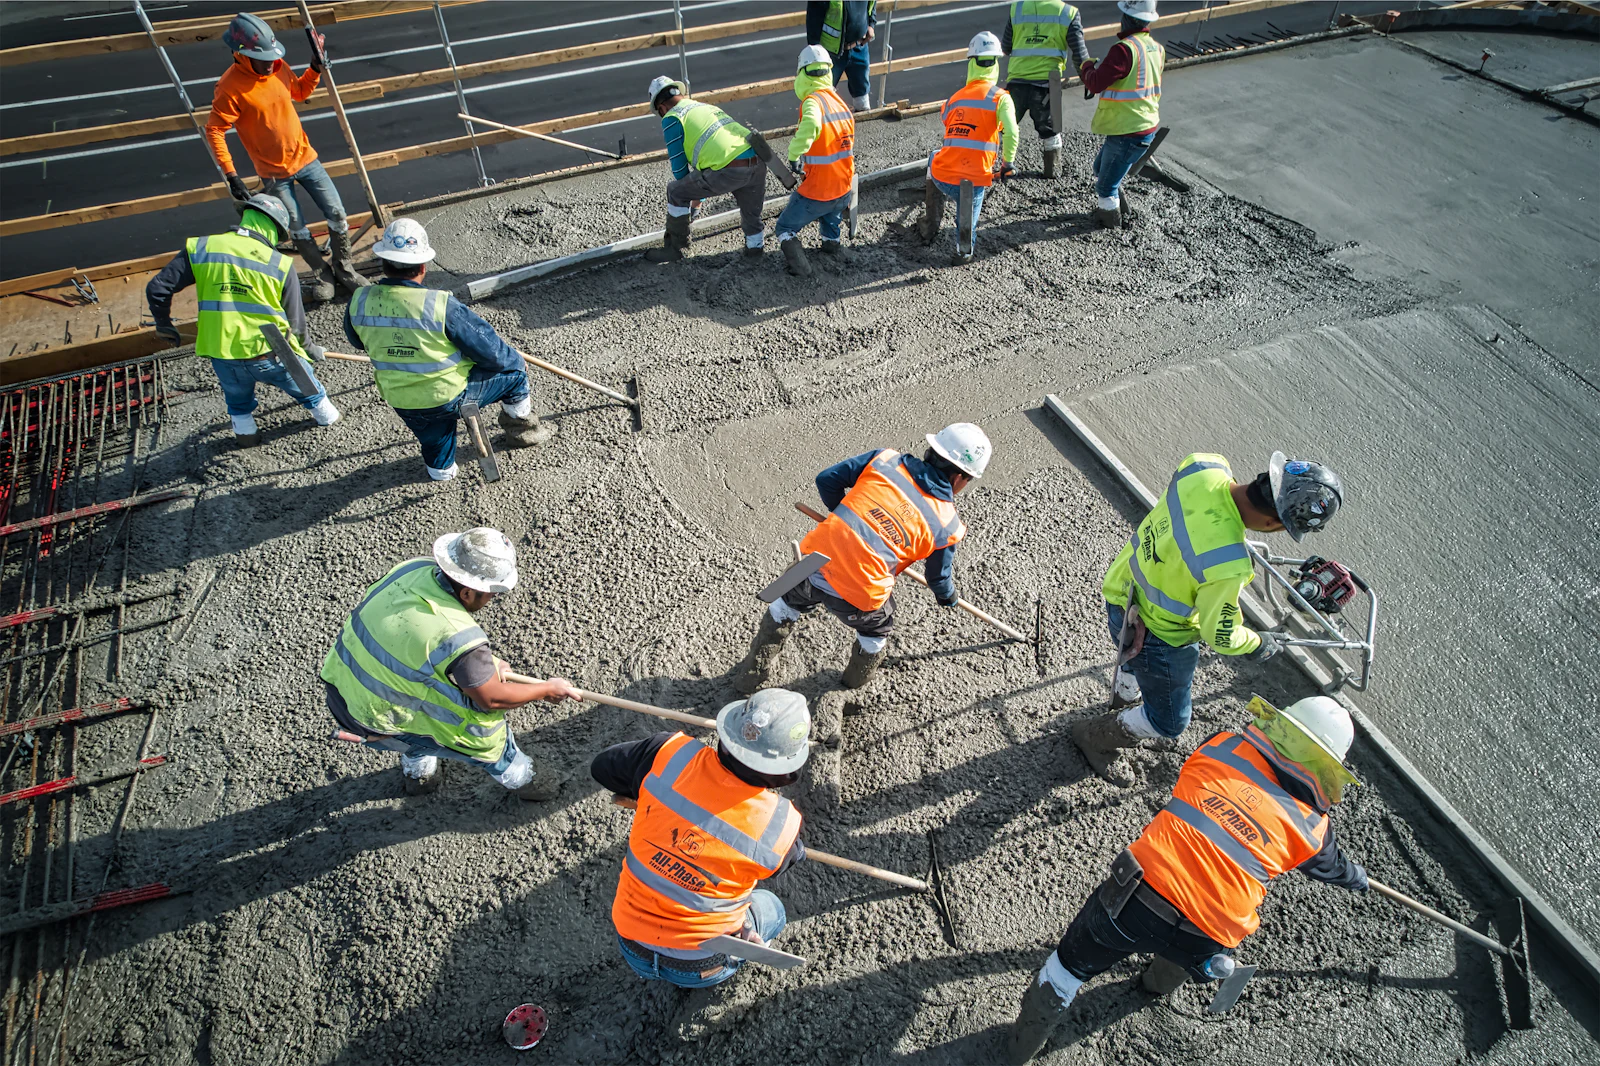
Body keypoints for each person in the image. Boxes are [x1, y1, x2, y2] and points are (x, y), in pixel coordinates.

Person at [1008, 695, 1368, 1064]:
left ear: (1279, 726)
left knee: (1065, 970)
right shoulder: (1313, 828)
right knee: (1182, 953)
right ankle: (1152, 987)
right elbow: (1335, 869)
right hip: (1211, 930)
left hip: (1135, 895)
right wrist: (1358, 878)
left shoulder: (1221, 747)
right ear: (1326, 768)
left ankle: (1017, 1050)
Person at [1072, 452, 1345, 787]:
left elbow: (1195, 524)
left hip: (1122, 592)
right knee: (1170, 721)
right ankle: (1097, 737)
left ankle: (1122, 699)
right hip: (1160, 636)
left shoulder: (1202, 466)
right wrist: (1258, 642)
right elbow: (1221, 634)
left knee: (1128, 657)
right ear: (1275, 523)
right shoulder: (1228, 564)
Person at [320, 528, 579, 799]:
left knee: (413, 732)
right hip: (377, 717)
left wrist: (485, 666)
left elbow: (412, 640)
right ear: (467, 592)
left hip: (345, 689)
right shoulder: (460, 636)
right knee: (484, 735)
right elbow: (492, 700)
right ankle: (529, 782)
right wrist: (547, 689)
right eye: (492, 592)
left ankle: (420, 776)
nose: (493, 599)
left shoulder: (411, 570)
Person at [737, 424, 992, 693]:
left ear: (931, 450)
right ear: (960, 478)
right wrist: (947, 597)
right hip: (860, 592)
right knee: (877, 630)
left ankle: (749, 678)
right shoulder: (948, 525)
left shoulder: (884, 460)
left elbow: (827, 479)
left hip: (810, 561)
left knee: (784, 603)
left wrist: (846, 518)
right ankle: (851, 686)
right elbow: (937, 577)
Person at [594, 689, 809, 987]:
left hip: (630, 943)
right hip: (701, 966)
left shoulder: (667, 753)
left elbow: (602, 768)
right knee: (772, 907)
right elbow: (786, 860)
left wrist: (645, 786)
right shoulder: (780, 827)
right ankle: (742, 936)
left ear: (726, 734)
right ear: (788, 773)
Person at [343, 218, 555, 483]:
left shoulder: (359, 300)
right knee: (514, 371)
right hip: (450, 395)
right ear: (422, 266)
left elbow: (357, 341)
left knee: (433, 433)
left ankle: (442, 472)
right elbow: (490, 351)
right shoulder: (439, 304)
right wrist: (515, 359)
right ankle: (524, 431)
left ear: (383, 263)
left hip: (401, 399)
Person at [146, 193, 339, 447]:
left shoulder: (203, 248)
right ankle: (330, 422)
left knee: (238, 403)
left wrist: (164, 324)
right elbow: (296, 325)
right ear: (274, 230)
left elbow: (157, 288)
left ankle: (247, 438)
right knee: (311, 392)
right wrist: (310, 350)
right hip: (272, 352)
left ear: (246, 217)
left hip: (223, 354)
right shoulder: (280, 264)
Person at [209, 12, 368, 301]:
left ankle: (344, 268)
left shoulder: (278, 68)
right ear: (243, 54)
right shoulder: (229, 88)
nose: (272, 61)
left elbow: (299, 91)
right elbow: (215, 131)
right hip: (273, 174)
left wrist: (314, 68)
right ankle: (323, 274)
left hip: (306, 159)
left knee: (337, 212)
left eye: (273, 55)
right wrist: (231, 174)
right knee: (295, 225)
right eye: (265, 57)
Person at [643, 76, 769, 263]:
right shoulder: (706, 107)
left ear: (661, 107)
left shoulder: (672, 118)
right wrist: (697, 200)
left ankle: (676, 248)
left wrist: (688, 202)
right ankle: (755, 249)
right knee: (751, 209)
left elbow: (680, 172)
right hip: (757, 161)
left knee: (676, 191)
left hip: (729, 169)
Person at [920, 33, 1019, 263]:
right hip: (975, 178)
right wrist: (1007, 163)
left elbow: (946, 119)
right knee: (969, 210)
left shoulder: (954, 98)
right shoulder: (1001, 98)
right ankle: (964, 250)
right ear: (995, 63)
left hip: (943, 174)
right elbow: (1012, 131)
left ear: (971, 63)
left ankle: (930, 223)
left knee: (933, 157)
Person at [1079, 0, 1164, 228]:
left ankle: (1110, 223)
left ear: (1126, 16)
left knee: (1105, 186)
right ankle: (1119, 206)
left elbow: (1096, 83)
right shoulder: (1156, 48)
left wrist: (1086, 67)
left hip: (1128, 129)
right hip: (1141, 125)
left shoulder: (1124, 50)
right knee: (1100, 169)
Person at [775, 46, 857, 278]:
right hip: (842, 189)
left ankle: (802, 268)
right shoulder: (840, 104)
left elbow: (810, 126)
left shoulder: (813, 102)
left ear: (802, 74)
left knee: (784, 228)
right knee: (830, 218)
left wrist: (794, 154)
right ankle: (831, 245)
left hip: (817, 191)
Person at [1001, 1, 1091, 178]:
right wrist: (1088, 79)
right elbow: (1079, 54)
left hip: (1017, 78)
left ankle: (994, 167)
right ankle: (1053, 172)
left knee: (1004, 126)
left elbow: (1006, 46)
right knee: (1052, 130)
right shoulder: (1068, 13)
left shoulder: (1017, 8)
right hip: (1050, 82)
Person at [805, 1, 877, 111]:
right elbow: (813, 19)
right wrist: (816, 54)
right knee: (822, 101)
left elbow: (872, 3)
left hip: (859, 47)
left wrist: (871, 23)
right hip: (829, 53)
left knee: (862, 101)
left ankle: (864, 126)